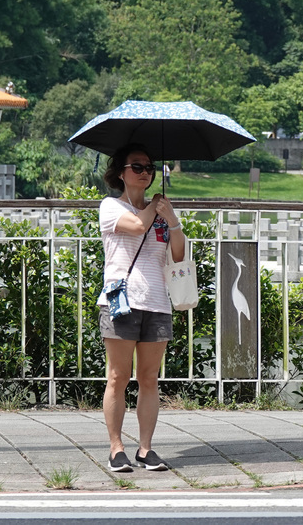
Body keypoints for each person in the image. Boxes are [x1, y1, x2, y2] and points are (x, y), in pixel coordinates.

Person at [99, 143, 186, 472]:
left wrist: (172, 218)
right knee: (118, 377)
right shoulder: (110, 207)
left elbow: (178, 253)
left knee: (149, 379)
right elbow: (136, 227)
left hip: (157, 303)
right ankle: (116, 448)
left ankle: (146, 449)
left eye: (149, 167)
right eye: (138, 167)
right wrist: (153, 208)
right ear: (121, 172)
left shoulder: (160, 214)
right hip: (121, 302)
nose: (146, 173)